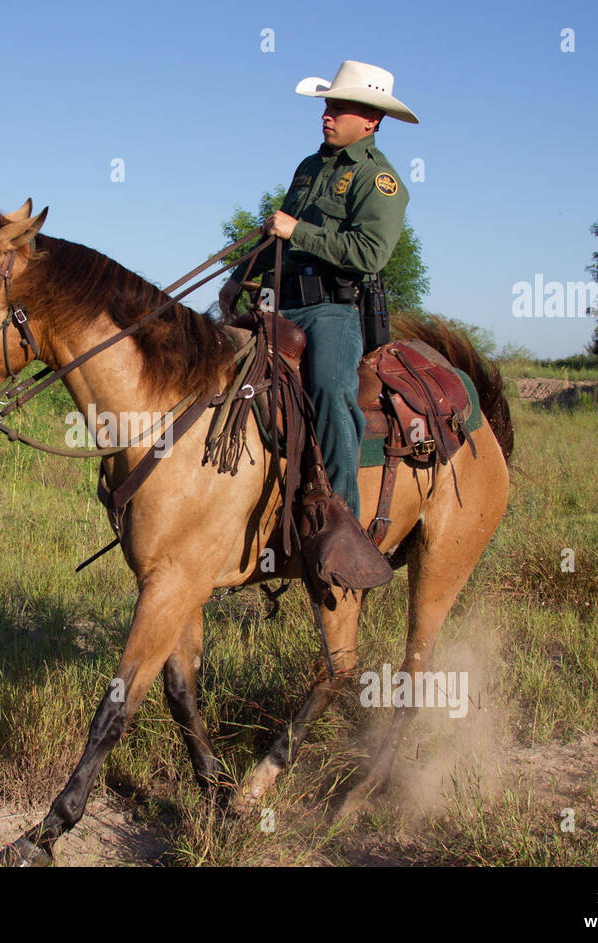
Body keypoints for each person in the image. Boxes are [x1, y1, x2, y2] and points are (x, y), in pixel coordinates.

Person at [218, 60, 418, 589]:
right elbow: (277, 236)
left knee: (330, 391)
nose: (327, 115)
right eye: (326, 106)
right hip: (278, 302)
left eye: (339, 107)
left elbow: (369, 254)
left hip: (332, 310)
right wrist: (240, 276)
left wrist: (298, 230)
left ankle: (343, 525)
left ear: (371, 120)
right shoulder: (309, 166)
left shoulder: (383, 182)